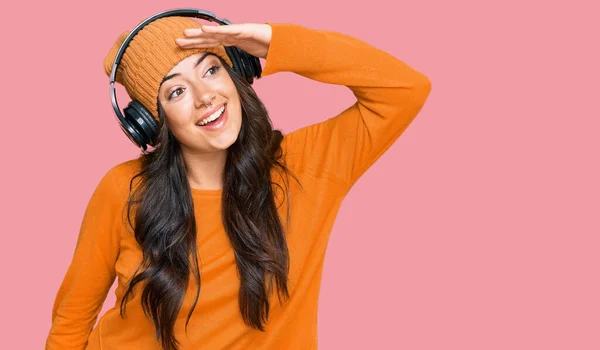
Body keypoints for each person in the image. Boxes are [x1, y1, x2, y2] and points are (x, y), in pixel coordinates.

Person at [46, 12, 431, 350]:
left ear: (237, 72)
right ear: (152, 122)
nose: (205, 97)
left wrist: (276, 43)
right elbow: (72, 319)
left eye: (211, 70)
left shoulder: (308, 166)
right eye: (177, 91)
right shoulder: (124, 189)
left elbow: (405, 89)